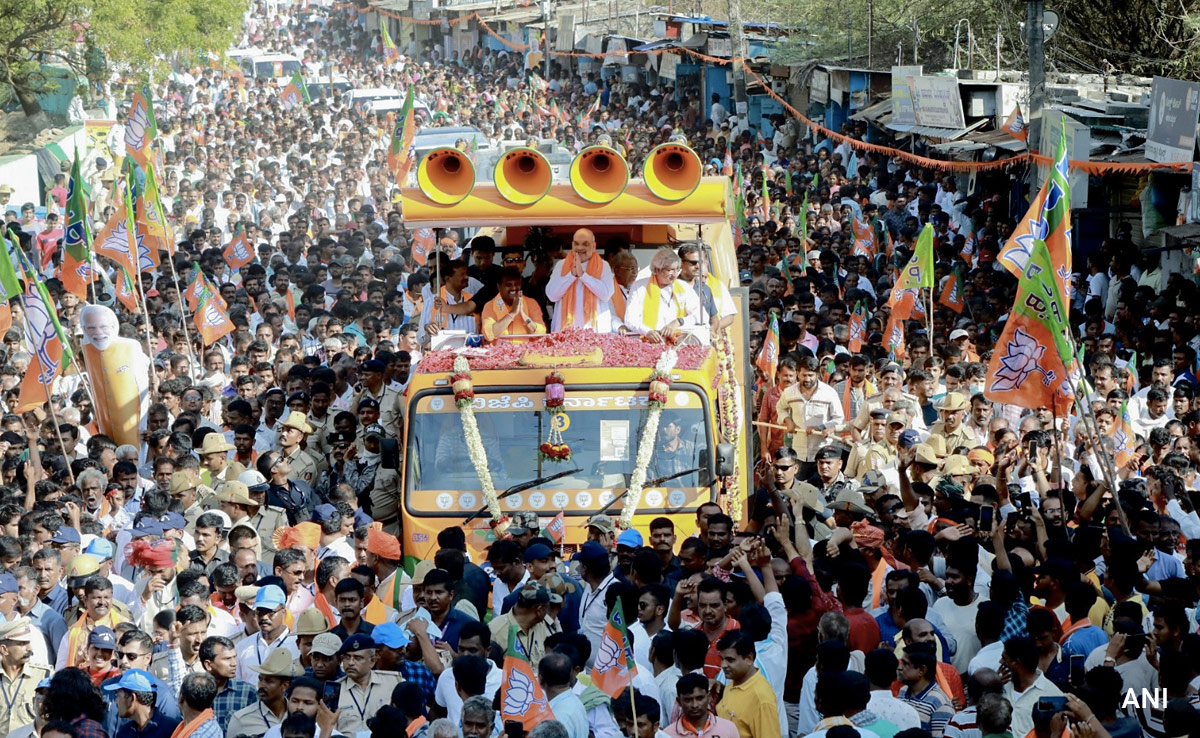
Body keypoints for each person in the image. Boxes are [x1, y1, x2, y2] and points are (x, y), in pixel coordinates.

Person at [546, 228, 615, 332]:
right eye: (576, 244)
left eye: (585, 244)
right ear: (572, 245)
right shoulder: (561, 265)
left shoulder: (603, 266)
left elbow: (606, 294)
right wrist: (572, 276)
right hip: (565, 333)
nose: (580, 248)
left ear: (593, 246)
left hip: (595, 334)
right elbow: (552, 295)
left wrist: (583, 276)